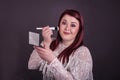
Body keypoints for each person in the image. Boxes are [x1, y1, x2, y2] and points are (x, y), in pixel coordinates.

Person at [28, 9, 93, 80]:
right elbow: (32, 65)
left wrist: (52, 60)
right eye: (64, 23)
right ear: (58, 26)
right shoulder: (51, 42)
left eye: (73, 25)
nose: (67, 28)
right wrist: (46, 43)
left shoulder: (83, 52)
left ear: (79, 30)